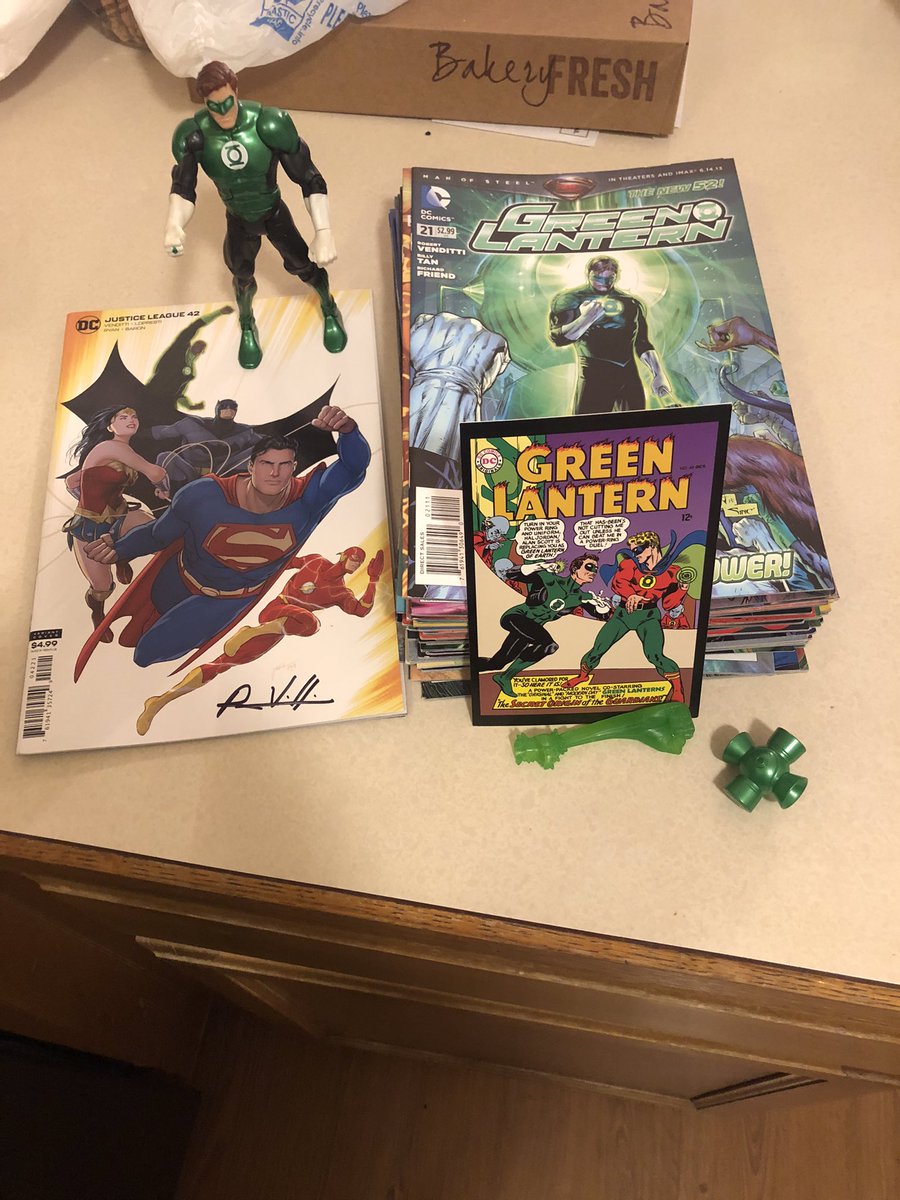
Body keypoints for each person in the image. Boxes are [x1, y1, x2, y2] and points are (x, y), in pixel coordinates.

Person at [75, 405, 368, 679]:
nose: (275, 473)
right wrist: (119, 549)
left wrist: (348, 431)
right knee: (136, 638)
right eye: (266, 463)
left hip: (223, 600)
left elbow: (353, 468)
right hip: (176, 579)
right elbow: (158, 534)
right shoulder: (204, 494)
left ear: (293, 468)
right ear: (251, 467)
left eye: (284, 465)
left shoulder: (308, 498)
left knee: (145, 655)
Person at [164, 60, 345, 369]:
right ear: (204, 102)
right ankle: (247, 323)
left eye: (227, 103)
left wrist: (323, 231)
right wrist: (174, 223)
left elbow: (309, 178)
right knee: (241, 275)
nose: (222, 113)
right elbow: (183, 187)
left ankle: (329, 307)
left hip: (272, 211)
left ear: (236, 90)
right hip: (237, 217)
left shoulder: (267, 125)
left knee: (305, 266)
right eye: (213, 106)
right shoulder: (194, 136)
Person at [135, 546, 384, 735]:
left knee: (224, 663)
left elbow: (361, 610)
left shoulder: (341, 592)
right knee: (312, 622)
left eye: (360, 563)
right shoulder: (315, 561)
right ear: (344, 556)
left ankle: (159, 702)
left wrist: (373, 580)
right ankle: (254, 630)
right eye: (354, 559)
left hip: (278, 629)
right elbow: (284, 563)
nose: (356, 564)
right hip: (276, 609)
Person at [63, 405, 169, 639]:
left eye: (134, 416)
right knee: (102, 587)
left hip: (121, 515)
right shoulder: (110, 447)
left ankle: (125, 558)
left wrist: (91, 492)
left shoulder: (123, 449)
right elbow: (156, 473)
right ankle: (98, 615)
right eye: (123, 417)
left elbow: (71, 481)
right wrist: (164, 490)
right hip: (91, 528)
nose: (131, 420)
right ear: (110, 426)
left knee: (164, 540)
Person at [565, 531, 688, 702]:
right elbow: (618, 583)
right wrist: (631, 595)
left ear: (652, 547)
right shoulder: (629, 564)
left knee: (655, 655)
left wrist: (682, 589)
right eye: (632, 551)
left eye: (637, 550)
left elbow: (668, 604)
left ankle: (677, 689)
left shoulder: (673, 572)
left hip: (648, 616)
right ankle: (582, 676)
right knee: (599, 647)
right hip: (623, 614)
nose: (635, 554)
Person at [549, 256, 670, 413]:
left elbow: (642, 343)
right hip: (594, 376)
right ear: (589, 274)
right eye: (598, 277)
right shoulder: (571, 298)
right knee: (588, 425)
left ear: (616, 276)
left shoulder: (631, 302)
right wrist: (585, 319)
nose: (604, 283)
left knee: (637, 424)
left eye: (609, 278)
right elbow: (559, 338)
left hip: (629, 377)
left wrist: (659, 374)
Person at [478, 555, 611, 698]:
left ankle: (472, 666)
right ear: (575, 568)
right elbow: (511, 574)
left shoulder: (581, 597)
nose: (593, 572)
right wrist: (540, 566)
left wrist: (602, 606)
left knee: (497, 663)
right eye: (589, 567)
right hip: (515, 617)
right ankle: (505, 677)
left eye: (595, 569)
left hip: (531, 629)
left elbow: (603, 616)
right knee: (549, 645)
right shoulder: (550, 580)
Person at [151, 398, 262, 494]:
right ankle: (163, 491)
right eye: (224, 406)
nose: (228, 410)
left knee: (258, 452)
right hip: (190, 472)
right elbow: (160, 432)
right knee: (165, 457)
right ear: (217, 408)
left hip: (220, 473)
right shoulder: (192, 424)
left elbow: (265, 443)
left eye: (232, 407)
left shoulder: (244, 432)